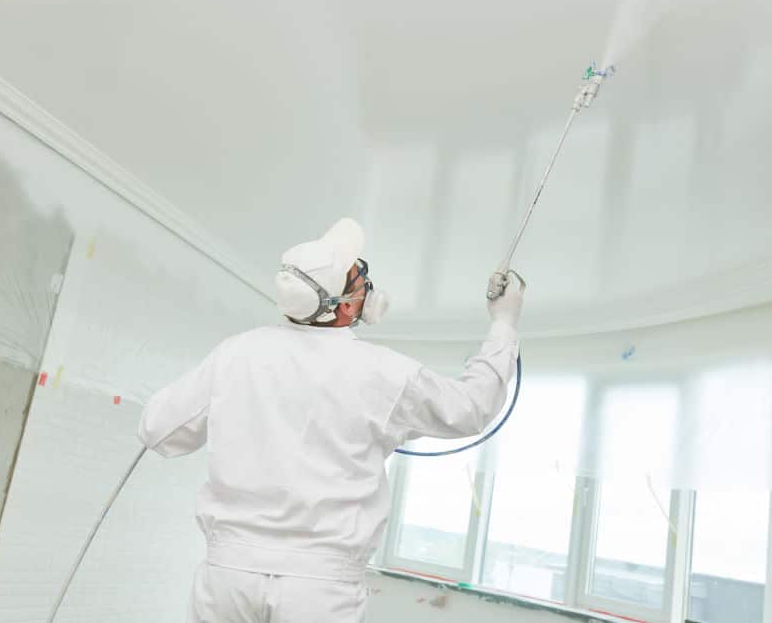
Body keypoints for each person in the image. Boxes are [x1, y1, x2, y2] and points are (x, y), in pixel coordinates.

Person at [137, 217, 524, 622]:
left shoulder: (237, 353)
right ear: (344, 302)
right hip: (320, 591)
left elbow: (156, 432)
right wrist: (504, 323)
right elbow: (471, 407)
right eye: (358, 276)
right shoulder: (382, 373)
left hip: (228, 578)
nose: (366, 285)